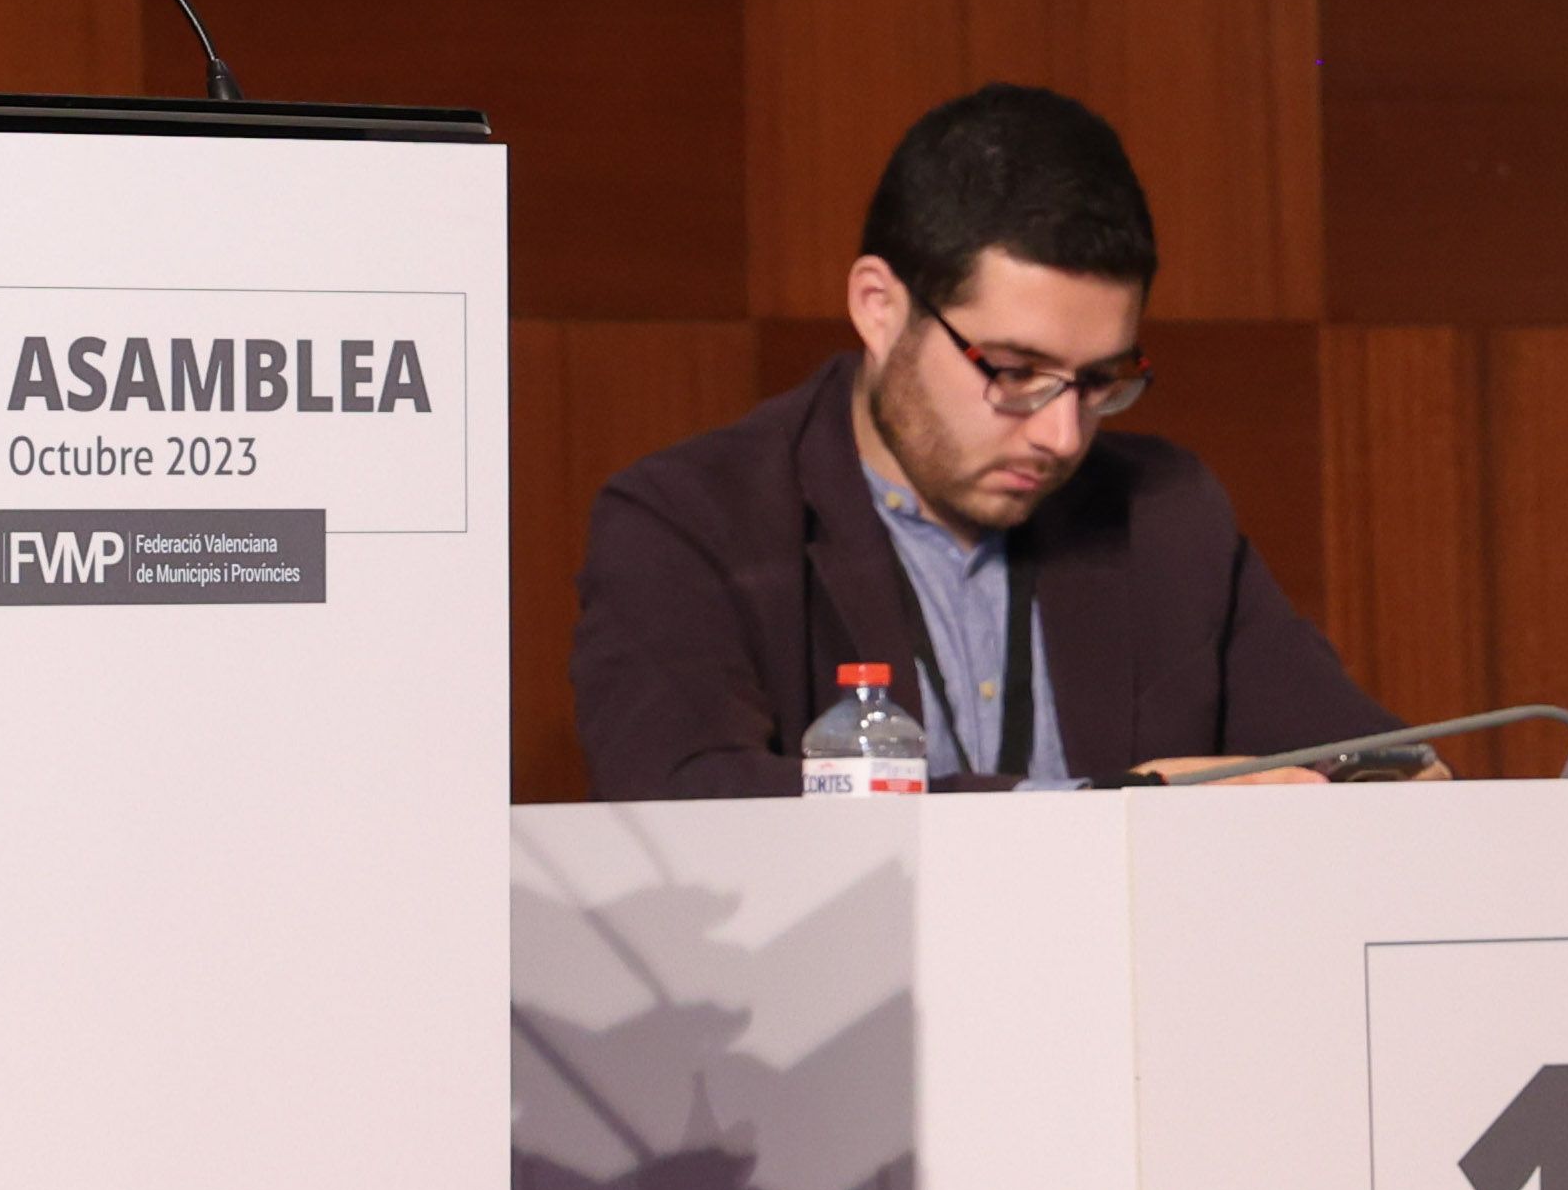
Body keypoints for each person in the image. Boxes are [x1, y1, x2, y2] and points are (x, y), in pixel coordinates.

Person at [570, 85, 1398, 795]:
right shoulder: (690, 520)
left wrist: (1396, 783)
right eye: (1012, 370)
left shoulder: (1163, 514)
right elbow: (686, 799)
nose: (1062, 434)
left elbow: (1352, 760)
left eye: (1099, 380)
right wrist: (1107, 807)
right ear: (878, 307)